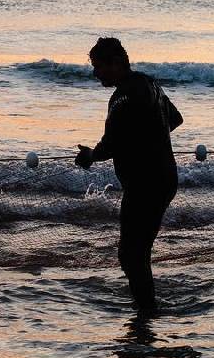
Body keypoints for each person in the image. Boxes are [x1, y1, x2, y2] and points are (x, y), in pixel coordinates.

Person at [75, 37, 183, 312]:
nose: (95, 73)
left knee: (130, 254)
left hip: (145, 184)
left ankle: (146, 310)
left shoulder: (122, 95)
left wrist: (89, 156)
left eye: (99, 66)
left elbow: (110, 143)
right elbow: (174, 119)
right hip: (164, 178)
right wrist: (147, 138)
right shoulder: (149, 84)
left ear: (117, 63)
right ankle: (146, 305)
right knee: (139, 250)